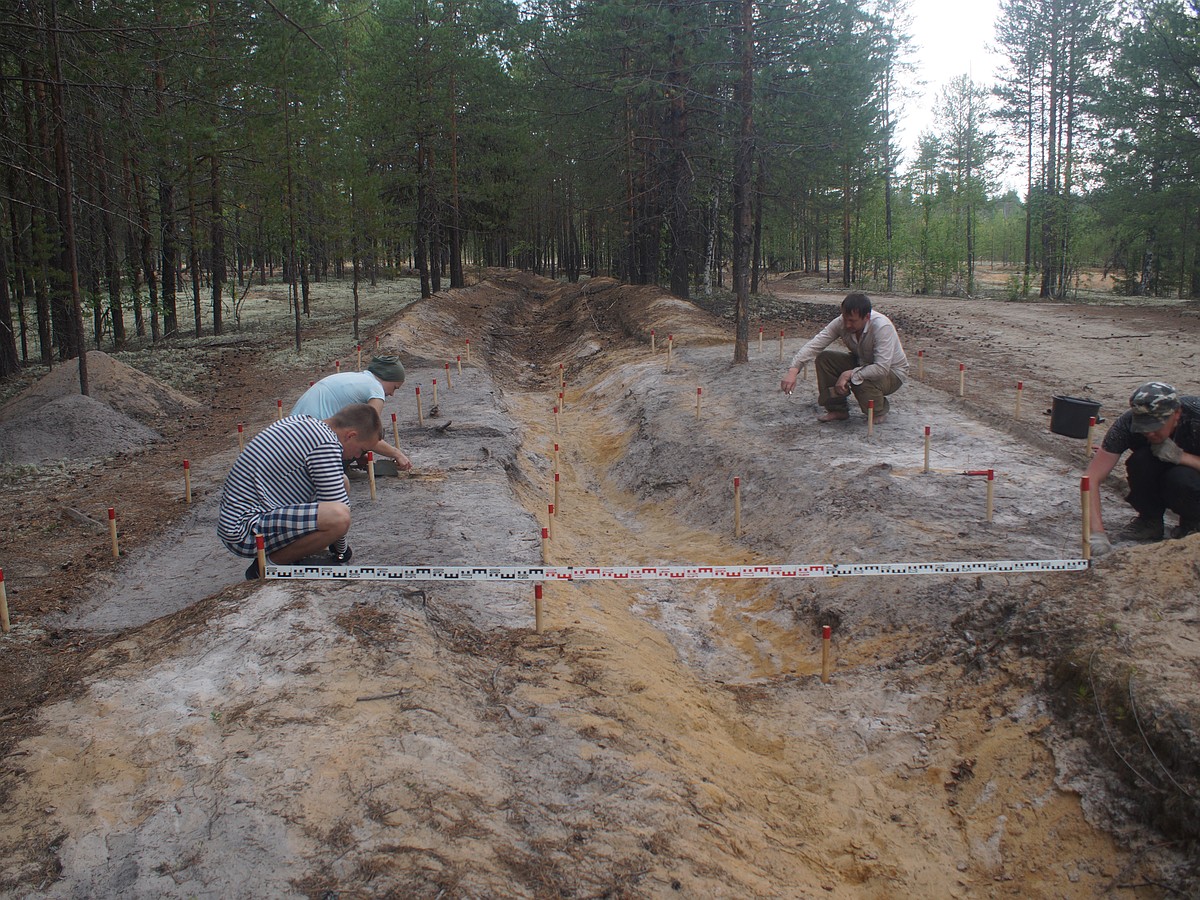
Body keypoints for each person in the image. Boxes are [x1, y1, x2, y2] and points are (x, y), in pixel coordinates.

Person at [218, 403, 383, 579]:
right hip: (244, 529)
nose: (358, 457)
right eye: (362, 450)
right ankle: (265, 569)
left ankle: (290, 556)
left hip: (247, 516)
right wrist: (342, 551)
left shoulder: (309, 424)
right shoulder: (325, 443)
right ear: (351, 435)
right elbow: (337, 507)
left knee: (342, 482)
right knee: (339, 518)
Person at [1084, 381, 1200, 556]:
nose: (1149, 433)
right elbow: (1091, 478)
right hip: (1163, 471)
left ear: (1177, 413)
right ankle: (1150, 520)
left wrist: (1182, 457)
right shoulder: (1126, 424)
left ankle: (1193, 525)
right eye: (1144, 427)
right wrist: (1096, 534)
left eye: (1155, 427)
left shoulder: (1196, 417)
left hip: (1191, 480)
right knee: (1141, 461)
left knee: (1181, 478)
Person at [779, 292, 908, 423]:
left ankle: (877, 411)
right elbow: (815, 345)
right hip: (862, 363)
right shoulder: (841, 322)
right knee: (825, 359)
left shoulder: (882, 327)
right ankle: (837, 409)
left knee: (859, 379)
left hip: (892, 373)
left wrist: (849, 374)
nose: (847, 325)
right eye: (845, 318)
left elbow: (881, 368)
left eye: (852, 321)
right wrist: (793, 371)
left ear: (867, 317)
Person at [290, 355, 413, 470]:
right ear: (388, 377)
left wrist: (358, 453)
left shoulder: (354, 377)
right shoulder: (376, 388)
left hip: (293, 435)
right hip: (312, 444)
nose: (392, 394)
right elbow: (370, 433)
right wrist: (397, 454)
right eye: (394, 388)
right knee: (377, 431)